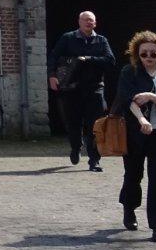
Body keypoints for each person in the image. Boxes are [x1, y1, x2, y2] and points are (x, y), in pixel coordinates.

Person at [111, 30, 156, 243]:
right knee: (133, 174)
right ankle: (129, 208)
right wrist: (142, 120)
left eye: (153, 53)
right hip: (135, 131)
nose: (149, 57)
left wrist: (152, 96)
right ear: (137, 54)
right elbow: (127, 99)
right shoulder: (130, 72)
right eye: (144, 54)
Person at [49, 10, 118, 170]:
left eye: (91, 20)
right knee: (73, 122)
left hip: (94, 88)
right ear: (79, 22)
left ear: (95, 23)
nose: (88, 22)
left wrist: (89, 59)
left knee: (95, 125)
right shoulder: (68, 38)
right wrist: (52, 75)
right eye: (85, 20)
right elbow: (54, 56)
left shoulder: (101, 41)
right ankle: (76, 147)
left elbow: (110, 60)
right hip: (71, 88)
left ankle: (94, 160)